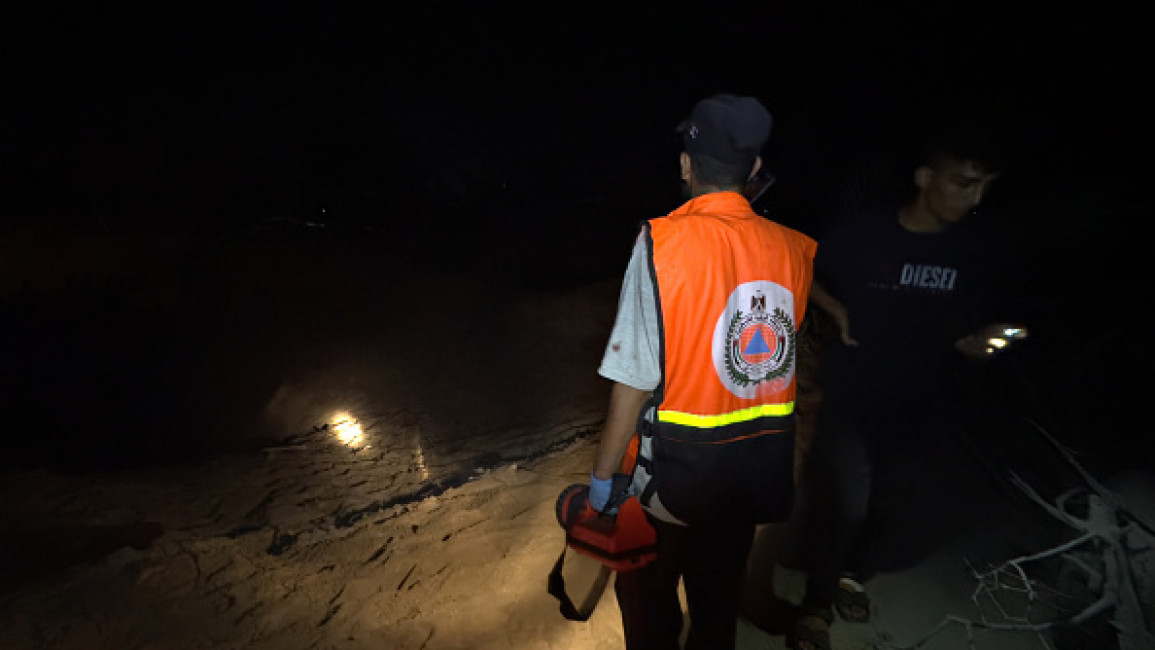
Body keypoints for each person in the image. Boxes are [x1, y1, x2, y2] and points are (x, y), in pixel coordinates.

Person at [587, 93, 817, 650]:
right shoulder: (794, 250)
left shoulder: (661, 244)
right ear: (755, 169)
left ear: (686, 165)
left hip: (670, 484)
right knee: (716, 616)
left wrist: (602, 484)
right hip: (750, 478)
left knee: (649, 614)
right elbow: (772, 365)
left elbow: (635, 379)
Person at [784, 123, 1013, 650]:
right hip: (851, 393)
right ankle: (814, 610)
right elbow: (799, 263)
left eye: (983, 187)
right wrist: (832, 304)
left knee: (892, 503)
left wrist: (975, 339)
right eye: (964, 182)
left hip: (920, 398)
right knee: (848, 502)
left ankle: (849, 578)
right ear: (925, 177)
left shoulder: (971, 249)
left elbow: (967, 317)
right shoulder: (866, 235)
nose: (973, 197)